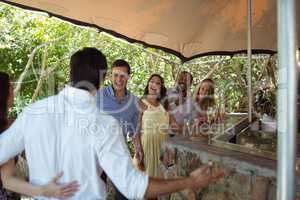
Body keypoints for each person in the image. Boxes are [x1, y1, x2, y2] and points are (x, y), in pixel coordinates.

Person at [0, 47, 224, 200]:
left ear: (71, 73)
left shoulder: (33, 112)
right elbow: (133, 186)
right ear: (103, 77)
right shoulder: (105, 125)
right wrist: (188, 181)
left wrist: (39, 190)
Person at [0, 72, 79, 199]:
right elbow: (7, 180)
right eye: (11, 87)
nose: (14, 91)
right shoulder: (6, 127)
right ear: (5, 93)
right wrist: (43, 191)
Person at [96, 59, 144, 200]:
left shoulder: (133, 102)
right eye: (116, 75)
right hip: (96, 152)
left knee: (125, 193)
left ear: (128, 77)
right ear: (111, 76)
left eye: (123, 76)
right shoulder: (98, 96)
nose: (119, 79)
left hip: (118, 152)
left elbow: (134, 130)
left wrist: (138, 147)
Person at [140, 74, 169, 179]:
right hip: (147, 147)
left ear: (161, 88)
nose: (154, 84)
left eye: (158, 83)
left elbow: (168, 127)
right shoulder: (141, 102)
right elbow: (136, 129)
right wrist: (138, 151)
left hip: (162, 146)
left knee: (160, 181)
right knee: (148, 181)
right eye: (152, 81)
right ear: (148, 83)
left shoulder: (163, 105)